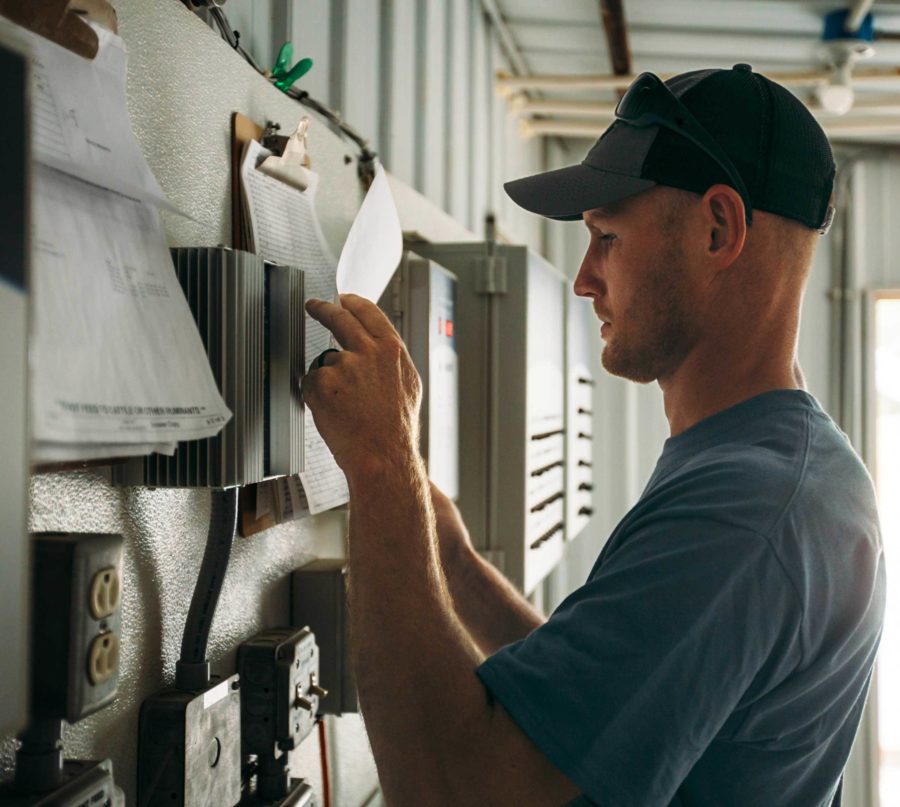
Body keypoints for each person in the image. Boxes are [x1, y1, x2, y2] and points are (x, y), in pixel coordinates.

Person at [301, 65, 885, 807]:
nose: (583, 278)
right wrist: (448, 556)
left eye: (607, 235)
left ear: (718, 229)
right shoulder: (782, 466)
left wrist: (384, 468)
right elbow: (595, 718)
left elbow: (458, 789)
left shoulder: (750, 508)